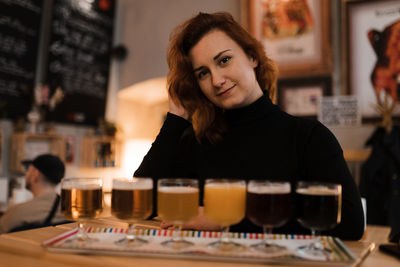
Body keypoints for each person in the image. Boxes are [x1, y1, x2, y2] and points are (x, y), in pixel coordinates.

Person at [134, 12, 365, 240]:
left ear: (252, 57)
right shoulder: (197, 141)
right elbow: (142, 205)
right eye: (203, 73)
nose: (216, 80)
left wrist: (225, 219)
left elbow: (351, 223)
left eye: (224, 60)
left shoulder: (309, 137)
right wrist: (176, 117)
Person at [0, 154, 67, 233]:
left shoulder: (18, 212)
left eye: (28, 170)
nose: (26, 174)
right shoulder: (69, 210)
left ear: (36, 174)